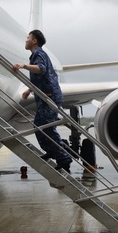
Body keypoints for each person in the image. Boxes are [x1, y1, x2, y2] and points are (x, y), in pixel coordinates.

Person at [12, 30, 73, 173]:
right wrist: (29, 90)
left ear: (34, 41)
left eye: (28, 38)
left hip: (49, 97)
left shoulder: (38, 54)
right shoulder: (35, 55)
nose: (26, 40)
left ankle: (63, 158)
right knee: (39, 126)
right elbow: (40, 78)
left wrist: (23, 66)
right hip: (44, 96)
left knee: (47, 128)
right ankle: (51, 151)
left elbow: (41, 69)